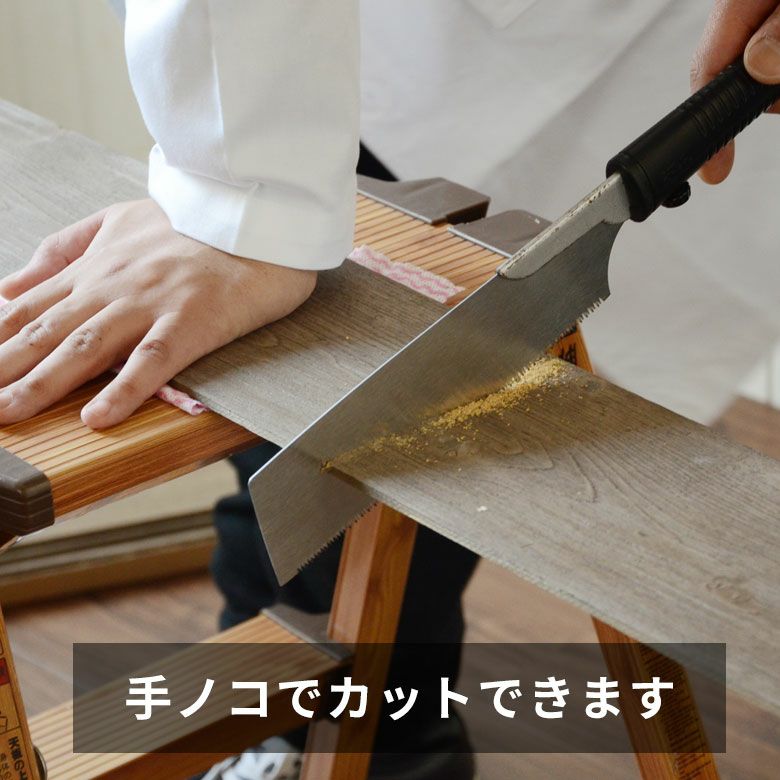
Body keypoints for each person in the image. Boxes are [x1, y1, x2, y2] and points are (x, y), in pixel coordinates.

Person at [0, 2, 777, 778]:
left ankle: (384, 748)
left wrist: (236, 204)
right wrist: (225, 198)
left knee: (372, 460)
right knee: (289, 451)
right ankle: (315, 736)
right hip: (362, 62)